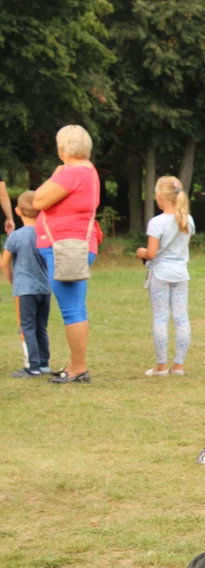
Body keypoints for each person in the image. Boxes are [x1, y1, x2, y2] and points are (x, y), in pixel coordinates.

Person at [32, 124, 102, 384]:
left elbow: (38, 200)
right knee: (75, 308)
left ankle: (78, 368)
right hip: (72, 248)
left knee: (72, 310)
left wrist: (56, 173)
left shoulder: (72, 173)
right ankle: (75, 364)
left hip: (66, 249)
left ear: (64, 147)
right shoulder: (87, 171)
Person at [137, 176, 193, 377]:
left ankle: (161, 366)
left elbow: (152, 253)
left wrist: (142, 252)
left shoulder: (157, 223)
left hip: (160, 274)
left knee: (161, 318)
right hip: (181, 274)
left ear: (160, 196)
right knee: (181, 318)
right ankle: (178, 365)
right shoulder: (187, 220)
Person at [1, 192, 50, 377]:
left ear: (17, 211)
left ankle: (32, 366)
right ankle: (44, 362)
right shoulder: (45, 234)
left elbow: (4, 262)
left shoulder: (16, 236)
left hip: (24, 289)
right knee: (41, 326)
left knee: (26, 326)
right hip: (45, 288)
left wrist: (12, 279)